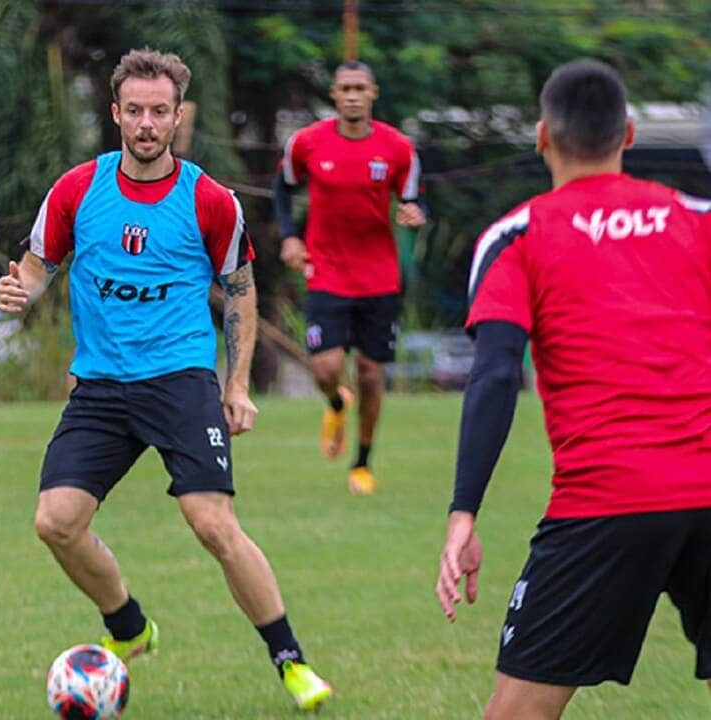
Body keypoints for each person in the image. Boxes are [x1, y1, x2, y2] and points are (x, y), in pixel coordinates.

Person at [0, 48, 332, 711]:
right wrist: (22, 290)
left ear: (178, 117)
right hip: (98, 386)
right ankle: (128, 625)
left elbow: (239, 292)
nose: (147, 123)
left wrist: (234, 387)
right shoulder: (76, 190)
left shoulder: (209, 201)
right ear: (116, 113)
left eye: (160, 112)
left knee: (212, 525)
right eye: (136, 111)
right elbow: (39, 263)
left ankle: (290, 660)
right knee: (55, 521)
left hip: (180, 380)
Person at [435, 60, 711, 720]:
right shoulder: (698, 218)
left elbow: (497, 373)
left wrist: (463, 512)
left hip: (605, 502)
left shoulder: (517, 235)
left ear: (541, 138)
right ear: (630, 133)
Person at [273, 60, 425, 495]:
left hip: (379, 277)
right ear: (334, 96)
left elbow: (413, 200)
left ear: (373, 92)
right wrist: (289, 238)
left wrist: (413, 214)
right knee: (326, 366)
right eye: (345, 88)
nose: (353, 95)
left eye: (361, 87)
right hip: (326, 270)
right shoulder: (307, 144)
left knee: (372, 374)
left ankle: (361, 463)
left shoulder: (397, 148)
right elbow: (283, 188)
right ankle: (337, 402)